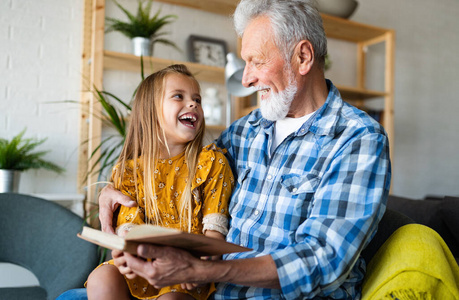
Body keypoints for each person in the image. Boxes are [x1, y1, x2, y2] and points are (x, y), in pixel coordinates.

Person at [58, 0, 391, 299]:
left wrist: (202, 271)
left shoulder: (357, 138)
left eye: (255, 62)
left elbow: (324, 258)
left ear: (302, 57)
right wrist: (112, 190)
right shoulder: (245, 131)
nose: (245, 79)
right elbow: (181, 170)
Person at [85, 64, 234, 300]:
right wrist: (131, 255)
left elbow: (215, 231)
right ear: (151, 111)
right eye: (179, 96)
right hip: (141, 263)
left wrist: (200, 264)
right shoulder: (128, 170)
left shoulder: (211, 163)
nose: (193, 103)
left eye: (197, 99)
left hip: (185, 273)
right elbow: (128, 227)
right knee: (101, 278)